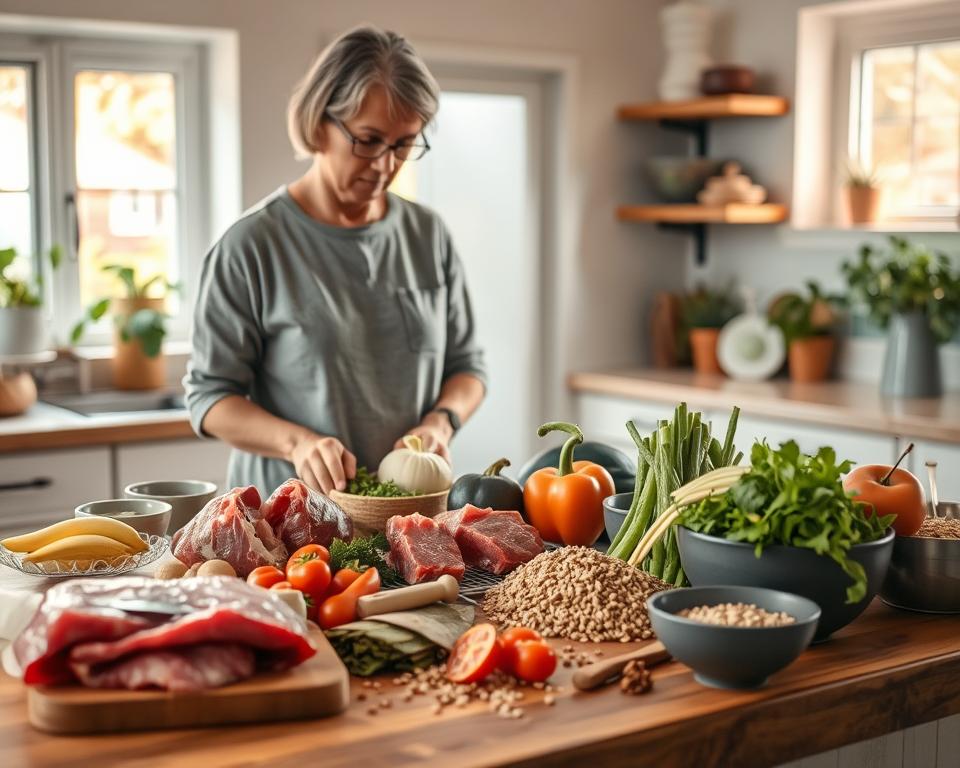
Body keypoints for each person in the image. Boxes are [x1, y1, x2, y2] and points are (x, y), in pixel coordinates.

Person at [184, 25, 486, 497]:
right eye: (367, 140)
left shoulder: (428, 235)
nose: (386, 164)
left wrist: (441, 422)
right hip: (287, 526)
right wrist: (298, 443)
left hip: (410, 517)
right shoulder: (251, 245)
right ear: (319, 122)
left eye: (404, 143)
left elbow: (468, 367)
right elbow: (209, 399)